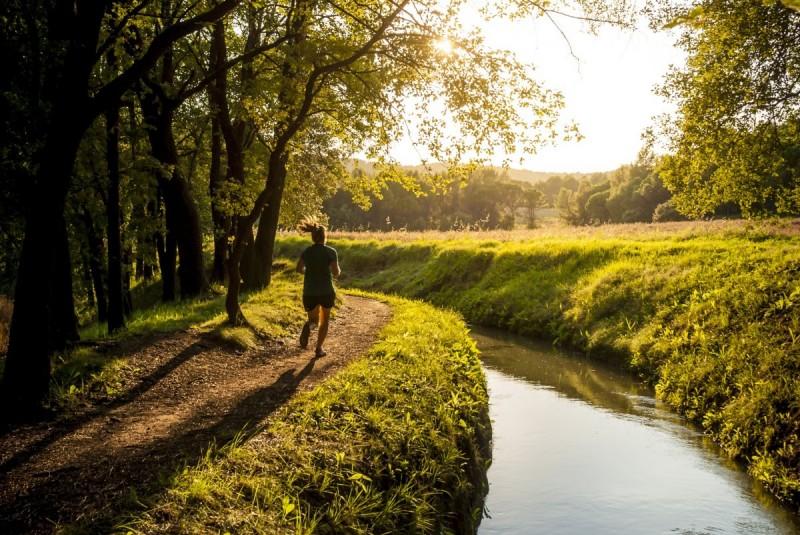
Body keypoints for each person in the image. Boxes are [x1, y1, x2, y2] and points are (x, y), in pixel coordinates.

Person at [296, 221, 341, 357]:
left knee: (313, 321)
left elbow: (298, 269)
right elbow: (335, 272)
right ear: (324, 236)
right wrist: (336, 270)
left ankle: (308, 327)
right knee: (325, 320)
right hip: (326, 291)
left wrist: (310, 273)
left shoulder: (307, 251)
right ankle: (319, 348)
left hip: (309, 291)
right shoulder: (330, 252)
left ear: (313, 237)